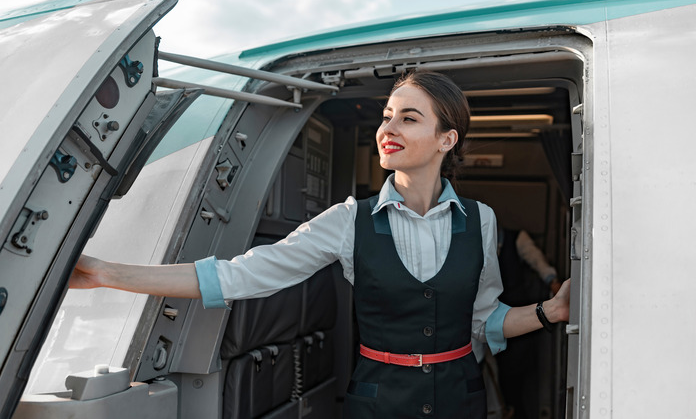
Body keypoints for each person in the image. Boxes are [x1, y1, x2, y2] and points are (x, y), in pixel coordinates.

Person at [71, 70, 570, 418]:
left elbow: (486, 321)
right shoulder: (348, 220)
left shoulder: (480, 221)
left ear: (447, 140)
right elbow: (241, 274)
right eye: (387, 116)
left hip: (461, 399)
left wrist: (552, 310)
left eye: (409, 119)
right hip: (376, 402)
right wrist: (108, 273)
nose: (388, 129)